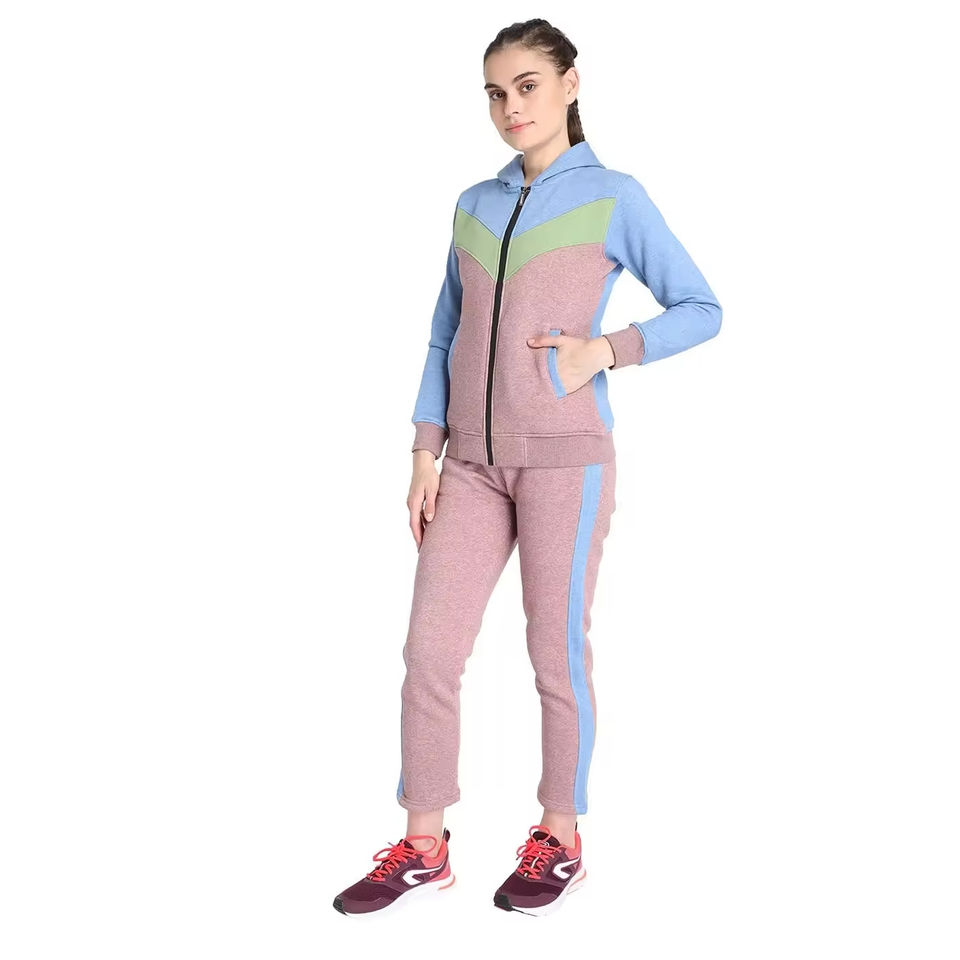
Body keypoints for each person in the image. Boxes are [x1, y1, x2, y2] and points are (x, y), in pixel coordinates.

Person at [332, 18, 722, 918]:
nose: (511, 107)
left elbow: (701, 307)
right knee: (430, 650)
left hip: (564, 463)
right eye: (496, 93)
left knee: (554, 652)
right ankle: (422, 846)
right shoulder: (473, 203)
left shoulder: (614, 196)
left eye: (528, 86)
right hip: (469, 465)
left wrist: (606, 350)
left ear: (570, 84)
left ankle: (561, 838)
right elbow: (446, 333)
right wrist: (425, 449)